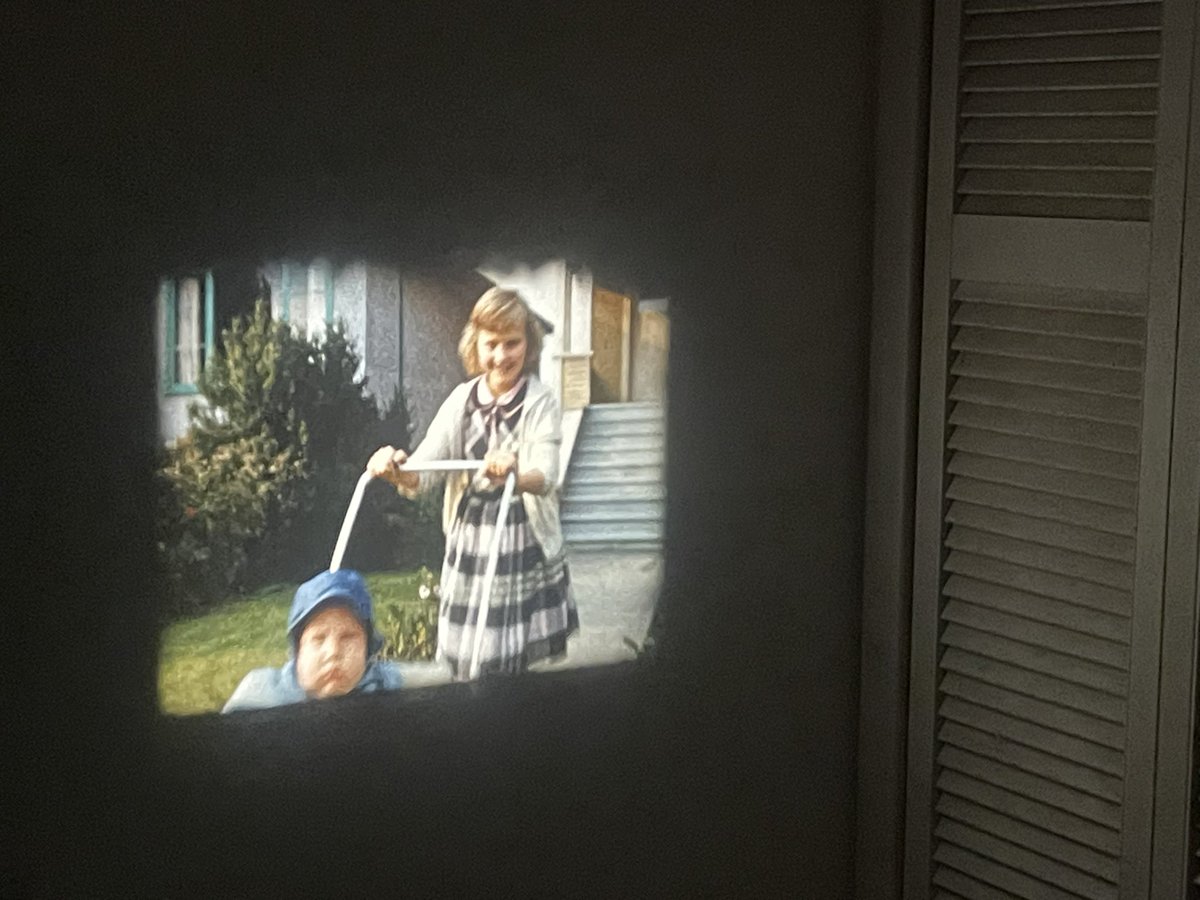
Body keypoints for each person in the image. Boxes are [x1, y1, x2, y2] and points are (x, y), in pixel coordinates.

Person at [368, 286, 579, 680]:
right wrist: (396, 468)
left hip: (519, 536)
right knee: (471, 655)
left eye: (512, 343)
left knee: (514, 654)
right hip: (471, 541)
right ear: (476, 344)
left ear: (528, 343)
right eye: (492, 344)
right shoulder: (461, 401)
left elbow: (545, 475)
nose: (502, 356)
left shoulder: (540, 401)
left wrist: (516, 472)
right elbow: (425, 468)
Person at [222, 568, 402, 712]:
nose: (333, 652)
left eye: (348, 637)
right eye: (318, 638)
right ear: (298, 650)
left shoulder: (384, 683)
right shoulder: (259, 696)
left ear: (368, 649)